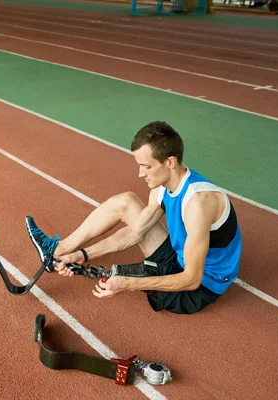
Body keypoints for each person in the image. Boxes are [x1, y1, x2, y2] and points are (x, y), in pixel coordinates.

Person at [26, 121, 242, 314]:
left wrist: (128, 284)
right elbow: (136, 231)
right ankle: (58, 250)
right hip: (181, 257)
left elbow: (191, 279)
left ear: (170, 162)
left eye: (147, 166)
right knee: (127, 200)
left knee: (124, 278)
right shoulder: (163, 187)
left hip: (199, 286)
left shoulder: (198, 204)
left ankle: (130, 276)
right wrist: (83, 255)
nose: (140, 173)